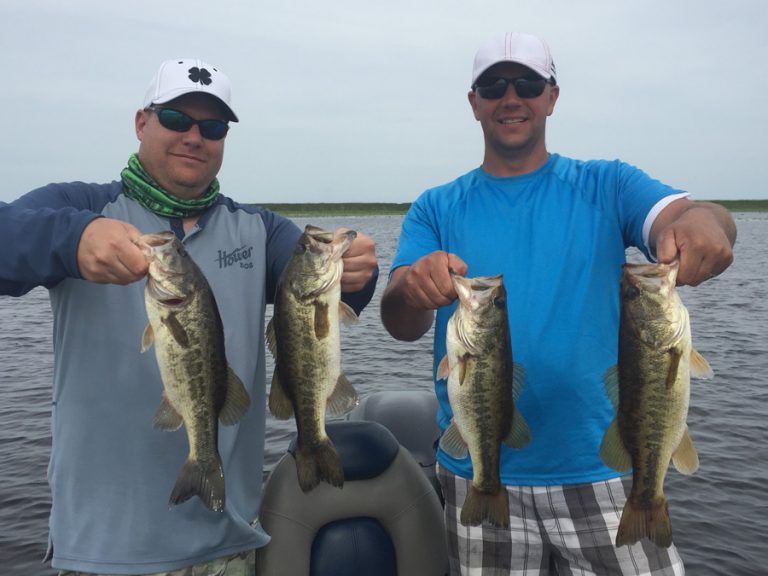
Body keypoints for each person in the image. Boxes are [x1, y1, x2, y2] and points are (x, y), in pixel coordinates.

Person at [0, 59, 378, 575]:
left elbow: (318, 295)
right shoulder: (80, 207)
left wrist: (355, 273)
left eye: (213, 127)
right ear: (142, 123)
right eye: (177, 119)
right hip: (101, 551)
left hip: (227, 548)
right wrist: (72, 240)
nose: (194, 137)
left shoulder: (260, 230)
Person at [380, 32, 736, 575]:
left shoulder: (607, 184)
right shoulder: (435, 207)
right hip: (478, 469)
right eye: (493, 87)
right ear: (474, 103)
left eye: (527, 84)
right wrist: (410, 288)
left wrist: (707, 224)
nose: (511, 98)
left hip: (605, 470)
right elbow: (400, 322)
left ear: (552, 96)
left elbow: (697, 215)